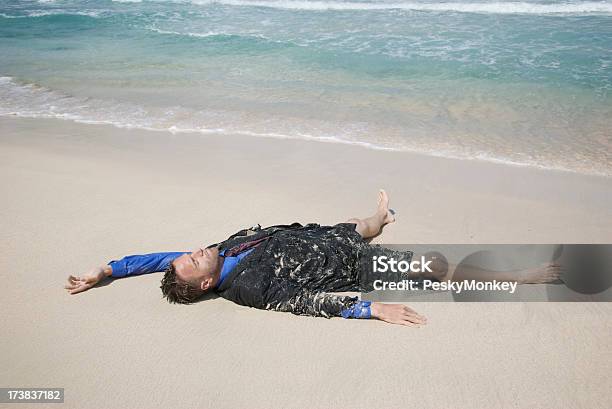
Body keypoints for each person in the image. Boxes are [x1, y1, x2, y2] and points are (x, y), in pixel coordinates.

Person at [65, 190, 561, 326]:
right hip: (351, 267)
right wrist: (373, 309)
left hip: (325, 234)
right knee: (436, 267)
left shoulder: (221, 252)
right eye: (192, 261)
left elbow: (156, 259)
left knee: (362, 223)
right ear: (204, 286)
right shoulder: (250, 290)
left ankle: (381, 215)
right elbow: (312, 304)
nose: (193, 251)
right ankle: (520, 276)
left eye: (189, 254)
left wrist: (107, 269)